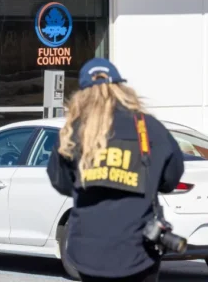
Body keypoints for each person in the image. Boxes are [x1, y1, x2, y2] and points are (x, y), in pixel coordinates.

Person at [47, 58, 185, 282]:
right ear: (121, 88)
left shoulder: (74, 131)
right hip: (138, 250)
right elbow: (171, 179)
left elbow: (61, 182)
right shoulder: (148, 128)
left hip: (88, 251)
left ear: (82, 94)